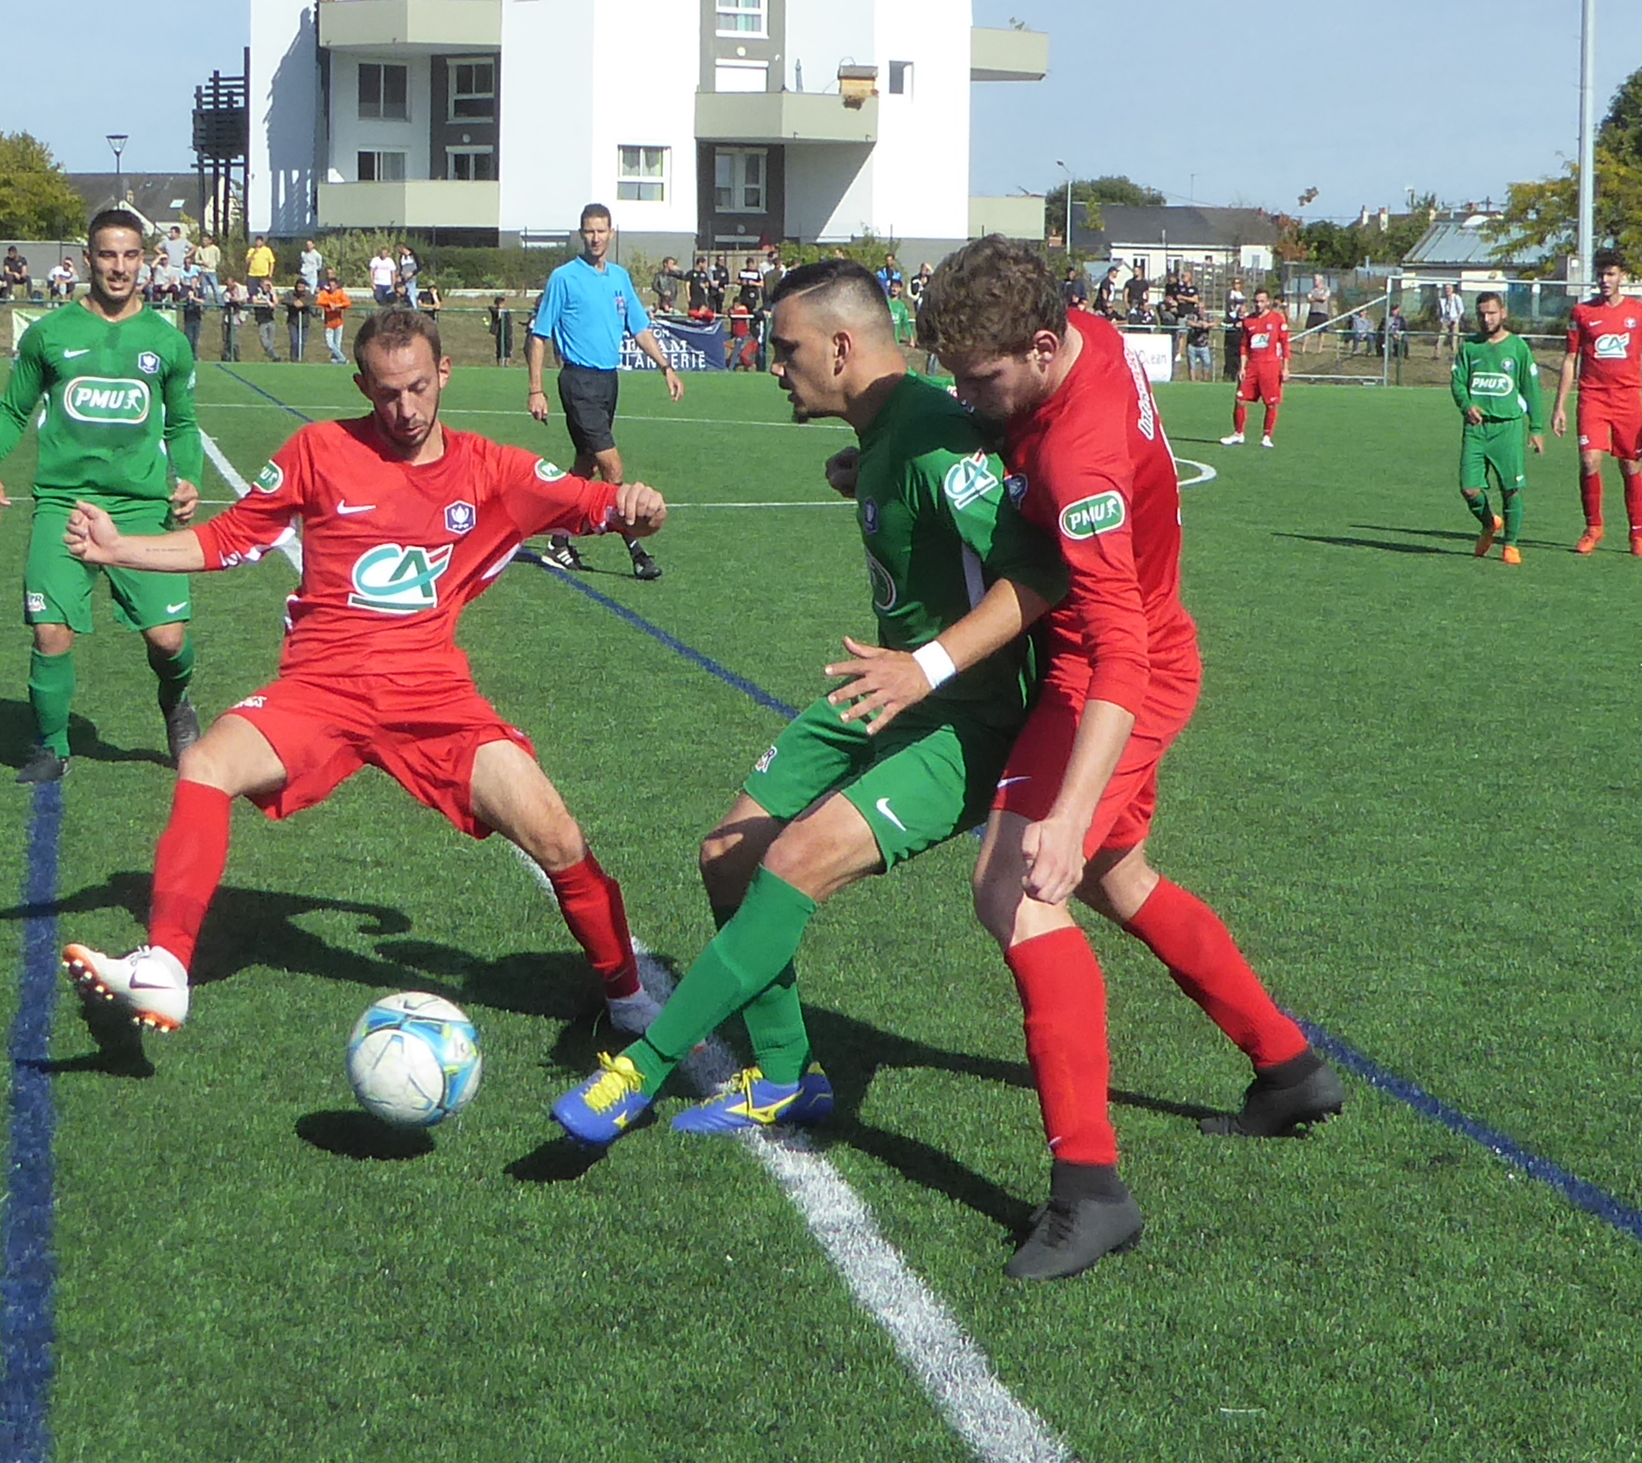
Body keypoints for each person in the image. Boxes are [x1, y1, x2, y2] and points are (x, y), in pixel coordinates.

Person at [551, 260, 1064, 1151]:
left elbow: (1043, 574)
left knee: (792, 862)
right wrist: (866, 472)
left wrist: (926, 668)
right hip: (890, 689)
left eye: (785, 350)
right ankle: (788, 1074)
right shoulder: (890, 434)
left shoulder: (934, 435)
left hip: (969, 718)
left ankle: (641, 1071)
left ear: (840, 347)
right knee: (726, 856)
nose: (773, 367)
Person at [912, 236, 1342, 1279]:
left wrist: (1065, 815)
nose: (965, 397)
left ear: (1042, 347)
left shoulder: (1081, 461)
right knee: (1117, 878)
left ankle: (1089, 1188)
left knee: (1017, 889)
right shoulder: (1082, 339)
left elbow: (1120, 654)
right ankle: (1287, 1066)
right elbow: (1020, 438)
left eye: (979, 379)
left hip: (1115, 676)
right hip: (1116, 657)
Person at [57, 308, 671, 1039]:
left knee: (558, 838)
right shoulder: (319, 450)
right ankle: (165, 965)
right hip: (321, 689)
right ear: (362, 387)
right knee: (206, 764)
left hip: (433, 698)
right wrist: (118, 547)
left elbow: (603, 506)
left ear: (445, 373)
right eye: (387, 394)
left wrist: (639, 508)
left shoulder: (492, 470)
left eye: (418, 388)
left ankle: (629, 999)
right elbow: (230, 539)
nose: (405, 409)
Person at [0, 208, 204, 785]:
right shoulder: (50, 335)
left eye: (130, 255)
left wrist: (190, 477)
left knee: (168, 640)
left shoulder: (167, 343)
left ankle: (176, 702)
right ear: (88, 259)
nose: (119, 267)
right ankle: (52, 747)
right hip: (63, 502)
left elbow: (182, 423)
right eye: (107, 255)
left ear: (143, 261)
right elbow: (12, 409)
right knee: (50, 631)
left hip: (140, 506)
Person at [526, 202, 683, 580]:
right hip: (578, 381)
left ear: (611, 233)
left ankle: (558, 541)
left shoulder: (619, 278)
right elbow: (539, 336)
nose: (595, 238)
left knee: (586, 467)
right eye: (589, 231)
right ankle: (636, 549)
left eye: (601, 231)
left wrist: (665, 367)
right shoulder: (564, 278)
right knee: (612, 467)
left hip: (608, 381)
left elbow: (640, 328)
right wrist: (536, 389)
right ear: (581, 234)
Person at [1552, 249, 1642, 554]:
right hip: (1593, 398)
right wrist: (1559, 406)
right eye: (1601, 274)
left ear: (1622, 276)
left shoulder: (1637, 312)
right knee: (1590, 461)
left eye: (1611, 274)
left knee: (1630, 464)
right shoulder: (1582, 313)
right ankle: (1593, 527)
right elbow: (1570, 359)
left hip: (1628, 398)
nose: (1605, 280)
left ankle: (1637, 532)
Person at [1451, 290, 1545, 565]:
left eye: (1492, 313)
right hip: (1476, 429)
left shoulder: (1517, 347)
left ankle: (1511, 544)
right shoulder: (1470, 347)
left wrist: (1536, 428)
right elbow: (1457, 382)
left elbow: (1531, 389)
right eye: (1481, 314)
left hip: (1507, 428)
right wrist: (1466, 405)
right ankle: (1489, 523)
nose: (1486, 319)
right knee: (1469, 488)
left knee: (1510, 489)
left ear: (1503, 313)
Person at [1223, 289, 1289, 448]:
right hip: (1252, 366)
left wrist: (1286, 368)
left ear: (1268, 302)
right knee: (1240, 399)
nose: (1259, 304)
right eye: (1256, 301)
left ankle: (1267, 436)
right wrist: (1242, 367)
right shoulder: (1249, 321)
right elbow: (1244, 346)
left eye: (1262, 301)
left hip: (1270, 366)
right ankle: (1238, 433)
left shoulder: (1277, 319)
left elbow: (1285, 344)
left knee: (1271, 403)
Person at [316, 273, 351, 363]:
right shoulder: (325, 293)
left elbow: (348, 303)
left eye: (333, 285)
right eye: (330, 285)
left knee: (337, 344)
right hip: (329, 323)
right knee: (330, 344)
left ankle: (336, 361)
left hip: (338, 323)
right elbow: (319, 301)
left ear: (336, 286)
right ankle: (343, 359)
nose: (331, 287)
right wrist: (329, 304)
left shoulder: (340, 293)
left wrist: (338, 305)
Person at [282, 277, 314, 362]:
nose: (300, 289)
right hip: (293, 321)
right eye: (299, 287)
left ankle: (299, 357)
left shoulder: (308, 294)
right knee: (294, 341)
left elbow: (313, 300)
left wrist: (303, 303)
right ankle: (293, 358)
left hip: (304, 322)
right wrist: (294, 303)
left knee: (302, 342)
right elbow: (283, 300)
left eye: (302, 287)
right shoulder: (290, 294)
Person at [251, 280, 279, 361]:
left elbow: (275, 302)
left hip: (270, 319)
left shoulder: (271, 293)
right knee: (264, 341)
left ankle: (273, 358)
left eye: (269, 285)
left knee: (270, 342)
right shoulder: (257, 291)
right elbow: (254, 301)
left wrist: (272, 291)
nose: (267, 286)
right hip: (261, 320)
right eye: (266, 285)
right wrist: (266, 302)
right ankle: (276, 356)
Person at [1436, 282, 1465, 359]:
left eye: (1449, 288)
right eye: (1446, 288)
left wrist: (1457, 320)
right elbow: (1441, 310)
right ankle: (1437, 354)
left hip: (1454, 320)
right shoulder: (1442, 299)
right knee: (1441, 337)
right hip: (1446, 320)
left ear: (1452, 289)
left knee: (1454, 338)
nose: (1447, 290)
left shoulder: (1456, 298)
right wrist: (1441, 320)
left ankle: (1454, 355)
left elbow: (1461, 310)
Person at [1304, 273, 1332, 350]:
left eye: (1315, 280)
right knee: (1308, 331)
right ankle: (1303, 348)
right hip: (1313, 312)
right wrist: (1317, 298)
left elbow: (1323, 298)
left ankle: (1319, 349)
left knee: (1322, 333)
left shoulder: (1326, 289)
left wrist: (1314, 298)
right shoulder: (1312, 290)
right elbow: (1309, 299)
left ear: (1320, 280)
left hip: (1323, 313)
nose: (1314, 281)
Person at [180, 276, 205, 360]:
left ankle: (195, 356)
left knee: (195, 340)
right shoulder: (185, 290)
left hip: (197, 317)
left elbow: (203, 301)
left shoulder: (199, 290)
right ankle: (188, 355)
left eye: (194, 282)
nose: (192, 284)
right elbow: (180, 300)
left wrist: (194, 298)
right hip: (188, 318)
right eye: (191, 282)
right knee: (188, 338)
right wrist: (187, 297)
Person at [195, 235, 222, 305]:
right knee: (204, 289)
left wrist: (213, 265)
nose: (204, 242)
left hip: (212, 271)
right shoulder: (200, 249)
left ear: (210, 241)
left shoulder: (215, 249)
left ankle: (219, 303)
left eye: (206, 240)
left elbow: (218, 259)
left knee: (215, 288)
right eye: (203, 240)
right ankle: (207, 304)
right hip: (203, 271)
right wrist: (202, 263)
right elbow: (196, 259)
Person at [487, 294, 514, 366]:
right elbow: (490, 309)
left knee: (508, 346)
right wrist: (499, 311)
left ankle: (507, 363)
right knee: (499, 346)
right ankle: (499, 363)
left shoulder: (506, 312)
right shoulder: (495, 310)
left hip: (507, 331)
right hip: (499, 331)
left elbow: (509, 321)